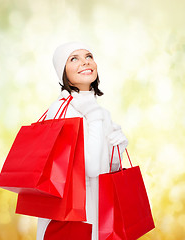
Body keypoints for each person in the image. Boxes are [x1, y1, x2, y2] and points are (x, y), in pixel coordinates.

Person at [36, 41, 128, 240]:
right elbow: (91, 168)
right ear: (63, 71)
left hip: (98, 210)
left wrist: (117, 148)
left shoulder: (101, 111)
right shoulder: (61, 108)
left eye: (89, 56)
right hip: (73, 215)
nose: (85, 63)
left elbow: (106, 170)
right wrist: (94, 117)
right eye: (74, 58)